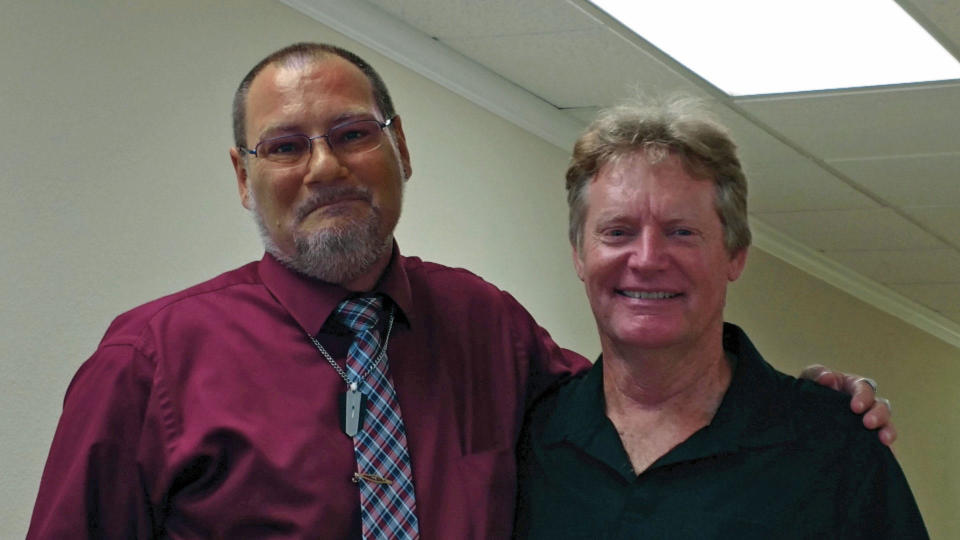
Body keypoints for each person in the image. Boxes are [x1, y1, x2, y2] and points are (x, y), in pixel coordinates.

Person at [29, 43, 893, 539]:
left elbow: (640, 392)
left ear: (401, 148)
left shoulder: (487, 328)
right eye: (285, 146)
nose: (325, 166)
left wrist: (811, 405)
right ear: (241, 176)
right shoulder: (148, 363)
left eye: (353, 133)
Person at [514, 96, 927, 538]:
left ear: (735, 255)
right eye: (618, 232)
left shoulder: (833, 445)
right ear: (580, 255)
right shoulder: (530, 434)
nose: (648, 258)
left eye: (682, 232)